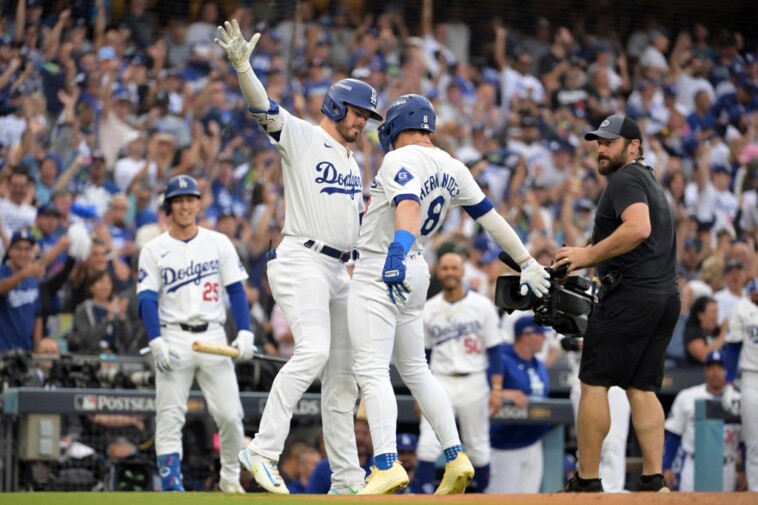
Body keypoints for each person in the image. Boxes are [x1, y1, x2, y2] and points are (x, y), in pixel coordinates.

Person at [347, 94, 550, 495]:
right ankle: (456, 455)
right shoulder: (454, 165)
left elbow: (407, 206)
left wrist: (395, 253)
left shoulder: (399, 158)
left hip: (384, 265)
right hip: (419, 270)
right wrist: (526, 260)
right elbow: (491, 220)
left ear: (398, 123)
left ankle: (385, 463)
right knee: (417, 371)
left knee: (371, 369)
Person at [214, 20, 384, 495]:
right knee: (313, 350)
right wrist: (244, 68)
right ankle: (263, 449)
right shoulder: (305, 137)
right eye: (356, 113)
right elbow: (263, 108)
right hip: (301, 258)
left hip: (338, 269)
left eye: (366, 118)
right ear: (334, 105)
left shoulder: (353, 161)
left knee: (342, 381)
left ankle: (346, 482)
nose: (361, 122)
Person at [555, 114, 680, 492]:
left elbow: (638, 228)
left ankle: (588, 481)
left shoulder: (625, 178)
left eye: (609, 142)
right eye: (599, 142)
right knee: (642, 387)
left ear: (634, 146)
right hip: (664, 297)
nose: (601, 148)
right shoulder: (650, 180)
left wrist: (585, 255)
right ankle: (653, 480)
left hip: (629, 295)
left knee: (594, 382)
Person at [137, 174, 256, 493]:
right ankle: (172, 484)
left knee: (231, 416)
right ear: (168, 207)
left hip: (214, 336)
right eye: (178, 200)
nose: (185, 205)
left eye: (190, 199)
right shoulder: (153, 248)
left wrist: (245, 331)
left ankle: (230, 477)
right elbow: (146, 298)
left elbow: (236, 291)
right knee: (169, 415)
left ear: (199, 203)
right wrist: (155, 338)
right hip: (174, 336)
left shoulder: (218, 242)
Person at [414, 252, 503, 494]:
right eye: (445, 268)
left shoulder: (482, 306)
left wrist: (496, 389)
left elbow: (495, 351)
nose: (450, 272)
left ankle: (482, 495)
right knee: (429, 443)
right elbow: (424, 357)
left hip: (474, 380)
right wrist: (420, 393)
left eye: (454, 268)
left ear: (463, 272)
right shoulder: (429, 309)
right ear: (438, 273)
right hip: (439, 380)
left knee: (477, 445)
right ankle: (422, 496)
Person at [487, 315, 551, 493]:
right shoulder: (502, 360)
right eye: (540, 334)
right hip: (504, 444)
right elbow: (480, 392)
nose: (544, 338)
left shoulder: (538, 364)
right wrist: (504, 393)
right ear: (526, 335)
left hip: (533, 442)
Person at [662, 350, 742, 491]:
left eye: (719, 367)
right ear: (705, 370)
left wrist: (742, 470)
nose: (715, 372)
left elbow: (745, 442)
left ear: (727, 370)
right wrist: (667, 466)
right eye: (710, 367)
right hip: (694, 464)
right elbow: (674, 436)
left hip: (727, 466)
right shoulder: (687, 396)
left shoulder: (739, 400)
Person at [726, 278, 758, 490]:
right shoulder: (743, 308)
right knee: (754, 442)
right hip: (751, 378)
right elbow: (733, 348)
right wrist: (729, 383)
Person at [0, 230, 44, 353]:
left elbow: (37, 315)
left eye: (27, 249)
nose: (23, 253)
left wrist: (37, 345)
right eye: (18, 249)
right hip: (3, 350)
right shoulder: (3, 272)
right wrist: (23, 275)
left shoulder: (33, 277)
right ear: (10, 251)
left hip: (26, 350)